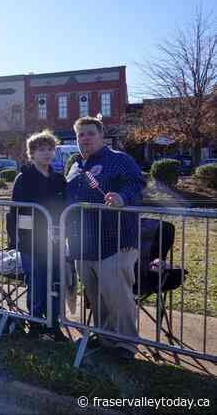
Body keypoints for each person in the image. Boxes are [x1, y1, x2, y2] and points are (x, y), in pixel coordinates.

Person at [65, 116, 146, 360]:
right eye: (80, 135)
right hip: (84, 244)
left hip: (116, 241)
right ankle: (104, 337)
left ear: (102, 136)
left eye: (90, 133)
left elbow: (138, 184)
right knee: (96, 298)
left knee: (117, 296)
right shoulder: (76, 166)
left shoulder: (119, 160)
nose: (85, 138)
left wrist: (123, 198)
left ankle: (126, 345)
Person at [5, 130, 67, 341]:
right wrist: (15, 238)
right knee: (37, 280)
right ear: (32, 153)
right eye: (41, 150)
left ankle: (53, 323)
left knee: (56, 281)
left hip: (56, 239)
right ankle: (36, 322)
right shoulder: (24, 178)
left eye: (50, 149)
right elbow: (16, 211)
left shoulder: (59, 179)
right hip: (31, 240)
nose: (47, 153)